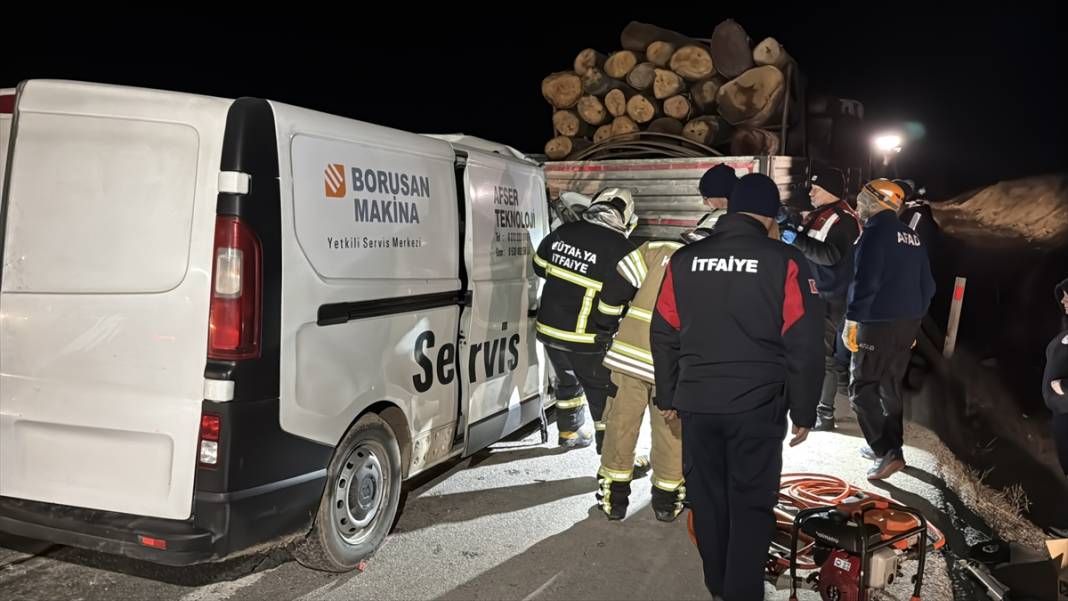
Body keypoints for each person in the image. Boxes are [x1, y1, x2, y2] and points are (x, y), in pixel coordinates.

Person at [651, 173, 823, 600]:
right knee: (750, 503)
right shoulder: (785, 260)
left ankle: (718, 585)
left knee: (708, 502)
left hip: (697, 405)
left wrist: (668, 394)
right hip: (756, 407)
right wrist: (804, 410)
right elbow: (803, 342)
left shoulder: (685, 259)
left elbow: (664, 331)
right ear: (769, 216)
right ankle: (742, 592)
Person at [596, 165, 740, 522]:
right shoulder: (725, 269)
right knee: (672, 433)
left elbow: (614, 289)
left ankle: (614, 498)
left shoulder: (657, 248)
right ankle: (666, 501)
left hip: (629, 361)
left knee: (620, 427)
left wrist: (606, 325)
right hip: (677, 370)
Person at [842, 179, 936, 480]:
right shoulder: (912, 236)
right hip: (906, 324)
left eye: (861, 199)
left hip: (876, 323)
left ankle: (887, 451)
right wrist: (913, 319)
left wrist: (853, 320)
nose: (858, 205)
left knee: (861, 388)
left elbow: (865, 282)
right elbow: (928, 286)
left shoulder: (874, 233)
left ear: (875, 202)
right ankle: (887, 445)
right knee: (889, 387)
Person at [533, 188, 640, 451]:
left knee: (566, 381)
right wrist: (608, 330)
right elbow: (620, 298)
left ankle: (570, 433)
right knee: (601, 393)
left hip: (549, 330)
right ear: (625, 215)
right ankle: (611, 452)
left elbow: (539, 266)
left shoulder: (564, 232)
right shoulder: (622, 248)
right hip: (586, 337)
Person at [781, 165, 861, 431]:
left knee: (824, 357)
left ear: (830, 191)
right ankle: (810, 403)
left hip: (831, 297)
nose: (811, 192)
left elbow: (830, 255)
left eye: (816, 188)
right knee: (811, 352)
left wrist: (796, 241)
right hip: (815, 293)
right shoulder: (823, 214)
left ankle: (824, 414)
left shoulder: (843, 219)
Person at [1044, 277, 1068, 476]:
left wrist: (1065, 387)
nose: (1063, 301)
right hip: (1060, 417)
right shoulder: (1063, 335)